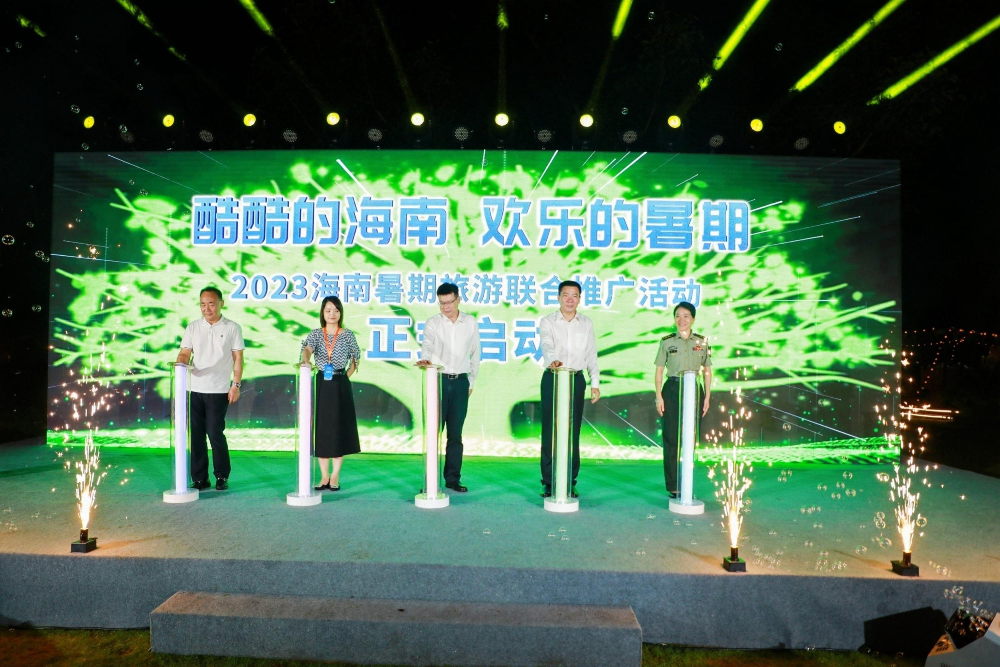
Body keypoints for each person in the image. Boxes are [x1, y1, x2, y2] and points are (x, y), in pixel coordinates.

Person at [176, 287, 245, 491]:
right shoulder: (193, 327)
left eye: (211, 304)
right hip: (194, 388)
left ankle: (222, 475)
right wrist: (180, 364)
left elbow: (238, 358)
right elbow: (184, 353)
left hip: (218, 389)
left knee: (215, 433)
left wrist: (236, 385)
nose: (207, 308)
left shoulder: (232, 327)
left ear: (221, 303)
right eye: (203, 304)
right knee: (196, 435)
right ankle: (200, 478)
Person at [538, 280, 600, 498]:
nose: (570, 299)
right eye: (566, 295)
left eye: (574, 295)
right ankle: (549, 481)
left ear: (579, 299)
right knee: (550, 430)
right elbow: (546, 343)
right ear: (558, 297)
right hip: (553, 378)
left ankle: (569, 481)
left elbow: (591, 354)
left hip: (576, 379)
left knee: (572, 432)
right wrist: (553, 360)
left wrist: (595, 382)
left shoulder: (586, 323)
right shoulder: (548, 321)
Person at [416, 283, 480, 493]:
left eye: (449, 302)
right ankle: (430, 481)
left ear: (458, 300)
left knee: (455, 434)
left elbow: (475, 354)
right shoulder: (433, 323)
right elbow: (427, 344)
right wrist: (426, 359)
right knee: (433, 433)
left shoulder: (470, 322)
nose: (445, 307)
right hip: (438, 381)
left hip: (461, 382)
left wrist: (470, 382)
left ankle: (452, 479)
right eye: (441, 303)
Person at [300, 296, 362, 491]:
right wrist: (306, 359)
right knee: (323, 430)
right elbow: (307, 349)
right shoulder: (316, 334)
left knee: (338, 429)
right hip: (322, 383)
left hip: (340, 383)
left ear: (340, 312)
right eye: (328, 310)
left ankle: (335, 476)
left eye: (336, 310)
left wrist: (345, 377)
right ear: (322, 313)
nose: (332, 314)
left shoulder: (347, 335)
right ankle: (324, 476)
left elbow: (356, 358)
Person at [654, 301, 712, 498]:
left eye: (686, 316)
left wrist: (707, 396)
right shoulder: (666, 341)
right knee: (671, 438)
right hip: (672, 388)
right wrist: (658, 396)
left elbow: (707, 370)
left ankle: (687, 481)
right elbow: (659, 371)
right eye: (678, 316)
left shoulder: (702, 342)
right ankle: (673, 485)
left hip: (694, 389)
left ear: (693, 319)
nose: (681, 320)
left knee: (690, 437)